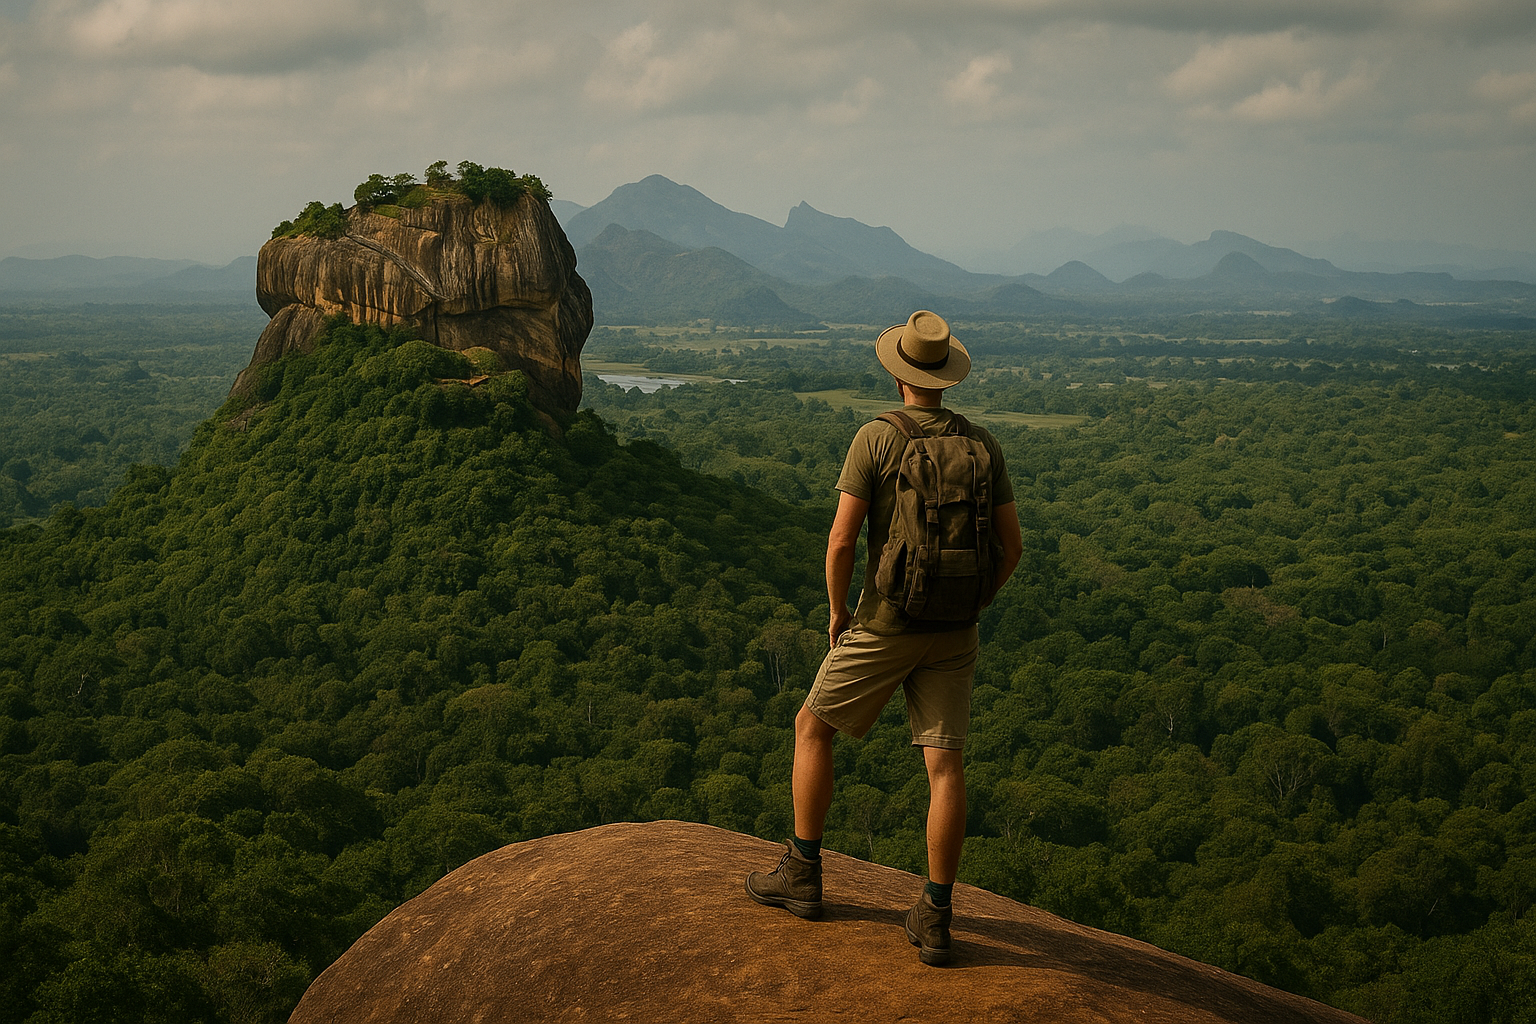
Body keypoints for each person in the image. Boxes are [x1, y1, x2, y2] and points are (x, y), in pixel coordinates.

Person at [744, 309, 1023, 966]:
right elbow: (1012, 549)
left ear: (899, 376)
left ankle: (804, 874)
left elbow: (842, 540)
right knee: (945, 768)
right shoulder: (982, 444)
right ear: (944, 378)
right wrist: (973, 600)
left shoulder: (877, 438)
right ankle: (935, 916)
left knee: (811, 726)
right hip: (956, 629)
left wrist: (839, 613)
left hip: (886, 620)